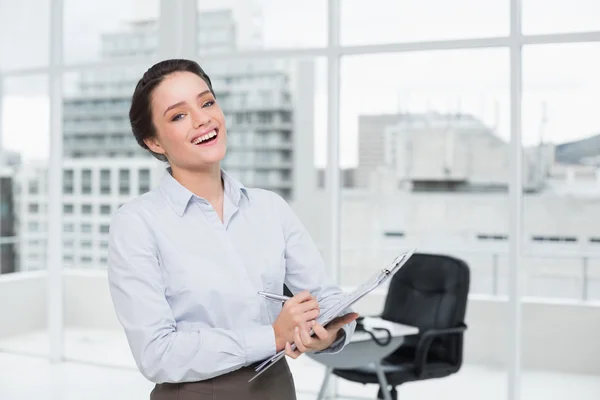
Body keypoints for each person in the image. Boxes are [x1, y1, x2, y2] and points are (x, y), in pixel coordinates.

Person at [107, 59, 358, 400]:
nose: (202, 119)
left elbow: (327, 297)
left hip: (276, 389)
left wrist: (328, 332)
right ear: (154, 142)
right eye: (178, 115)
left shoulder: (271, 208)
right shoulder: (137, 223)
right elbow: (157, 354)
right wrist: (272, 336)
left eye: (207, 102)